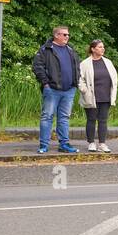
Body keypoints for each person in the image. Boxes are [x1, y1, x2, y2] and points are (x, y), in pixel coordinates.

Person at [32, 25, 80, 155]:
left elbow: (76, 67)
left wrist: (75, 83)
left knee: (64, 117)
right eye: (64, 34)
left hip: (69, 90)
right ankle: (44, 145)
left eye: (68, 35)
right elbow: (37, 67)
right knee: (47, 116)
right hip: (52, 89)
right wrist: (45, 83)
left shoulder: (70, 50)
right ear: (56, 35)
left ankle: (64, 144)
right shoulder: (45, 50)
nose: (67, 37)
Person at [78, 39, 118, 153]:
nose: (103, 49)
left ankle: (102, 143)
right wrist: (84, 90)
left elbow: (114, 77)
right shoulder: (85, 63)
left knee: (103, 120)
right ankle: (91, 143)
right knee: (91, 119)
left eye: (103, 47)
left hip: (105, 95)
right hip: (91, 96)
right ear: (93, 49)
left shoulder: (108, 62)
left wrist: (112, 92)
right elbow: (80, 79)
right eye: (100, 47)